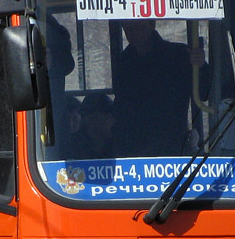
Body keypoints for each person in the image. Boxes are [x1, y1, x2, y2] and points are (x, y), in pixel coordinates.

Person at [112, 19, 193, 156]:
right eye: (129, 29)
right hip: (133, 148)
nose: (135, 33)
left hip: (173, 146)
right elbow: (121, 105)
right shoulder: (123, 62)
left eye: (139, 27)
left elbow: (205, 93)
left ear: (152, 25)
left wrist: (201, 64)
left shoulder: (178, 55)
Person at [74, 93, 115, 159]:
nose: (96, 125)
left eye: (108, 118)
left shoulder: (123, 145)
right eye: (94, 119)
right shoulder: (75, 148)